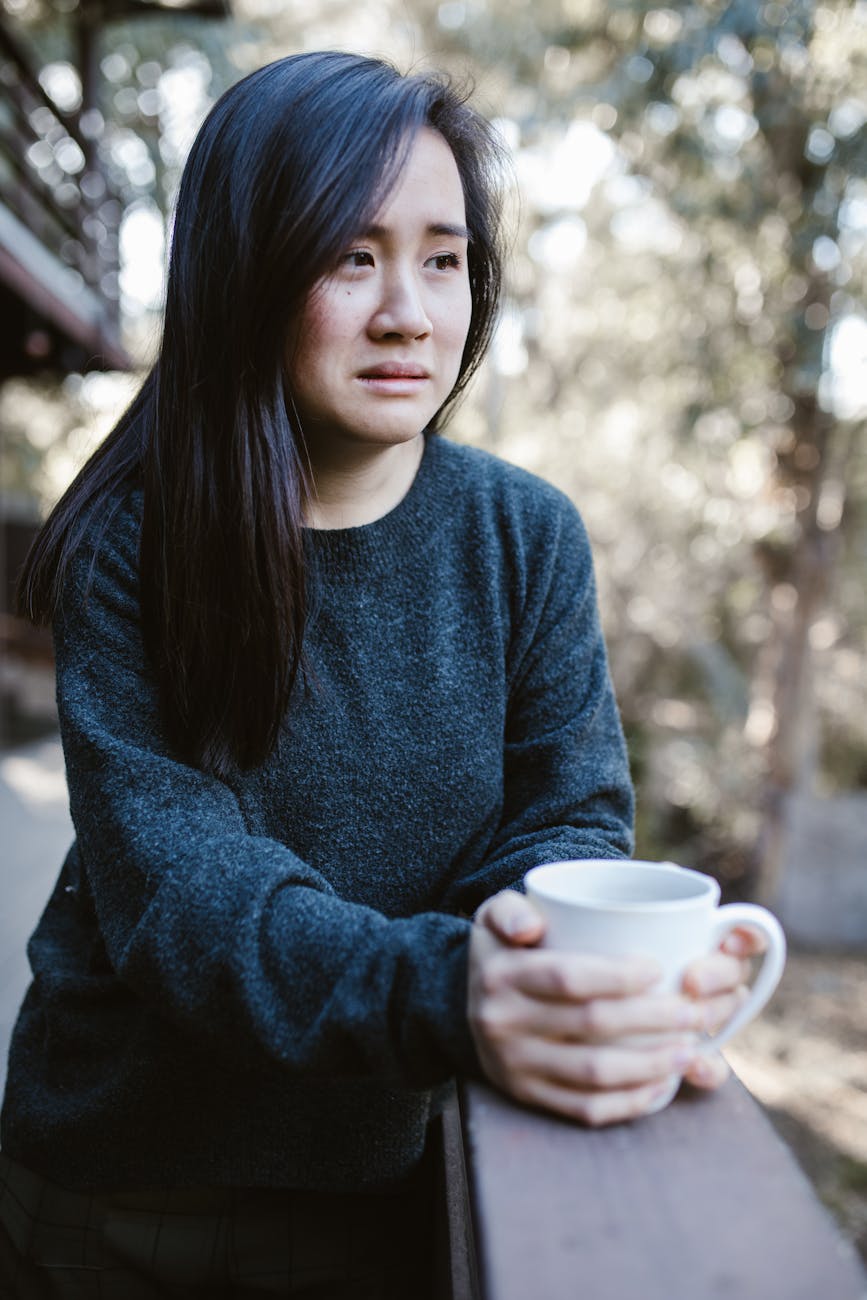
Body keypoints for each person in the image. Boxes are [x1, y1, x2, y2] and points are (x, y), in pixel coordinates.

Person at [0, 51, 757, 1299]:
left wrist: (542, 970)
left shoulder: (524, 536)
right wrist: (458, 989)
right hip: (125, 1193)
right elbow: (184, 893)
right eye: (351, 256)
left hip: (393, 1183)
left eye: (443, 257)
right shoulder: (136, 541)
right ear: (247, 269)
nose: (409, 309)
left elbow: (566, 816)